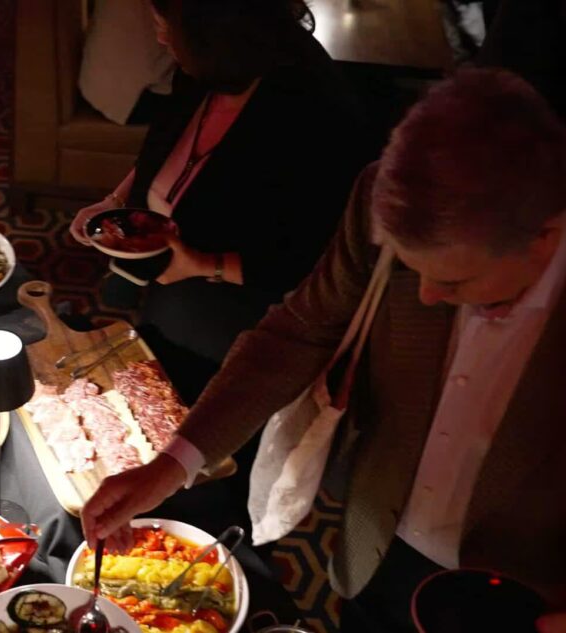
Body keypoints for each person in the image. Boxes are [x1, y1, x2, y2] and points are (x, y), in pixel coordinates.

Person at [81, 68, 566, 632]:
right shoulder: (378, 195)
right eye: (412, 273)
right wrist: (174, 463)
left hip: (531, 591)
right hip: (376, 541)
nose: (430, 297)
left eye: (455, 285)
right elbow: (299, 331)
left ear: (546, 235)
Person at [70, 0, 365, 407]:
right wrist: (114, 199)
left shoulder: (312, 111)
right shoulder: (206, 64)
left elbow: (310, 252)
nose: (159, 38)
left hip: (240, 309)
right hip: (175, 279)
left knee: (194, 408)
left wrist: (204, 266)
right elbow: (163, 147)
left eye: (165, 26)